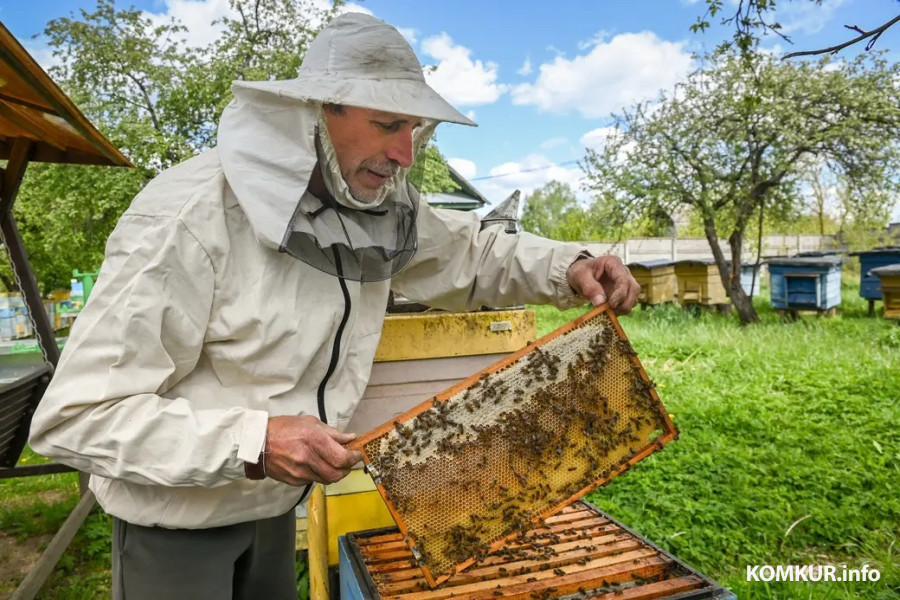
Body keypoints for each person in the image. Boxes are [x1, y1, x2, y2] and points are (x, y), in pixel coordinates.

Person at [28, 12, 640, 600]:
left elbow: (470, 253)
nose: (405, 152)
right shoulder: (189, 218)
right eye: (386, 124)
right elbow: (79, 415)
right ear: (317, 113)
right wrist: (255, 440)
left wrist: (570, 265)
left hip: (273, 510)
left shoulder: (374, 208)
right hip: (174, 529)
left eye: (415, 130)